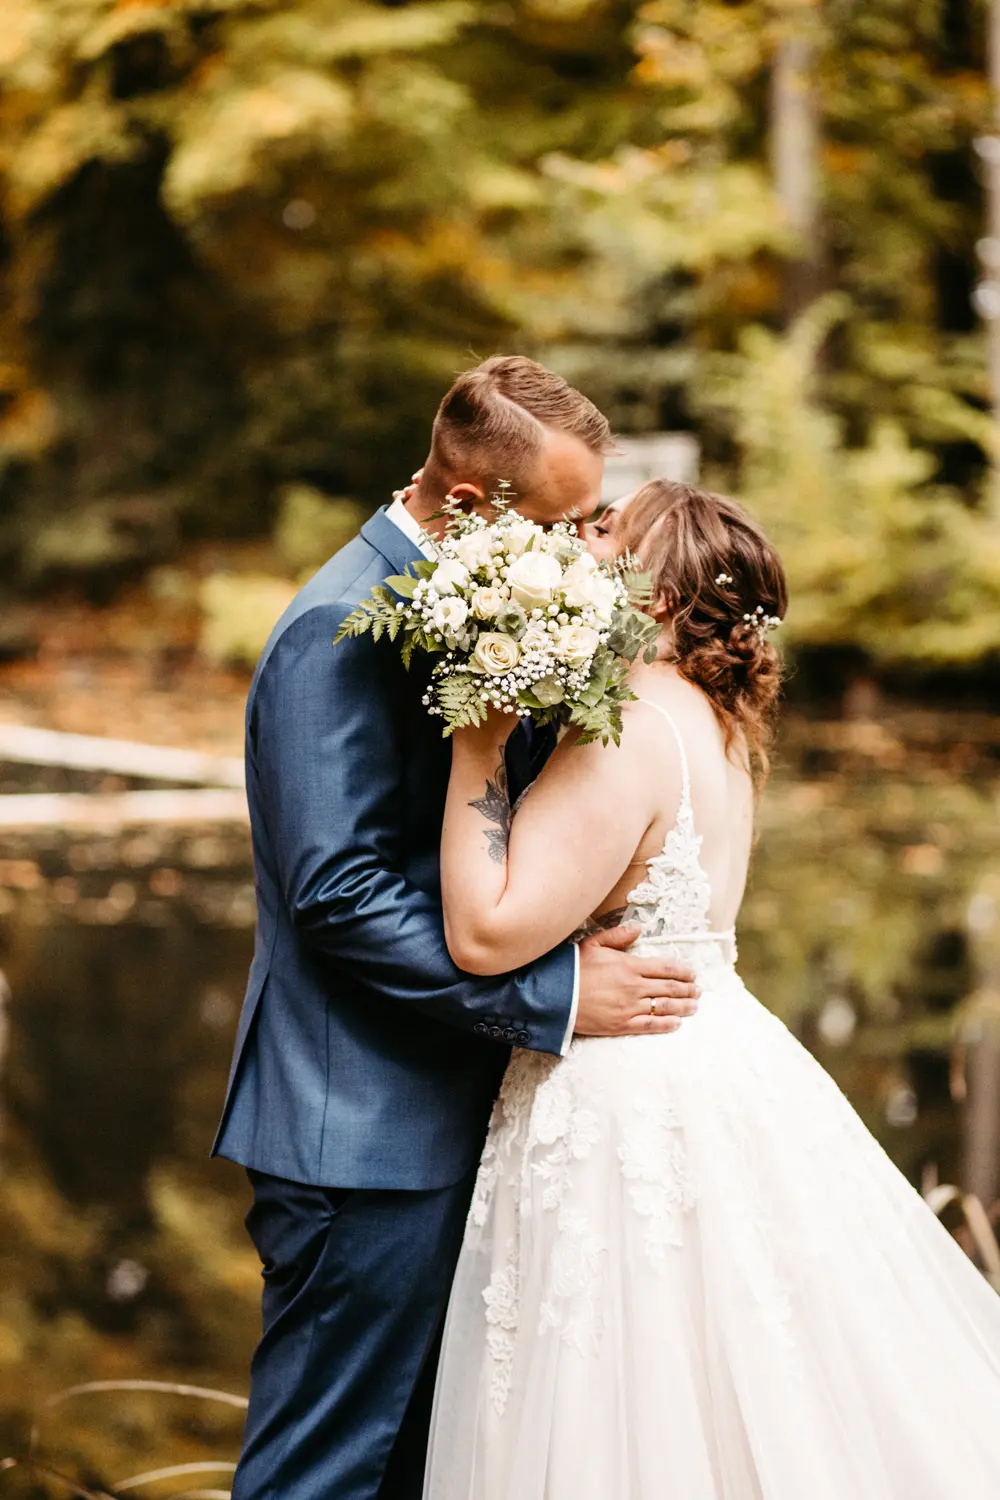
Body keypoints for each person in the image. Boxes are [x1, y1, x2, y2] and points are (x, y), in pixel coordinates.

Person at [424, 479, 1000, 1499]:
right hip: (719, 1055)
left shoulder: (628, 727)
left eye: (607, 532)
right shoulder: (717, 726)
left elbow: (484, 931)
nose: (581, 544)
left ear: (649, 593)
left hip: (629, 1097)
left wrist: (474, 742)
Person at [212, 358, 700, 1500]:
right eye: (569, 520)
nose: (589, 547)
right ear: (477, 508)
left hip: (451, 1114)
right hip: (361, 1135)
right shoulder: (334, 628)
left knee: (418, 1468)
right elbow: (336, 896)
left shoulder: (473, 600)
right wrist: (557, 995)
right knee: (324, 1475)